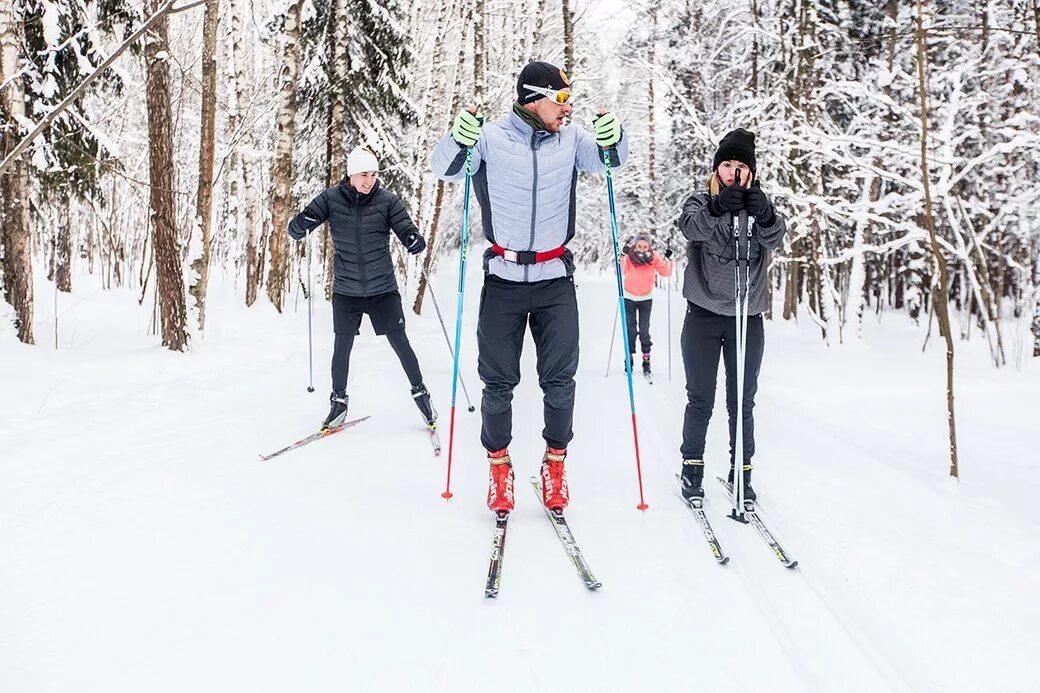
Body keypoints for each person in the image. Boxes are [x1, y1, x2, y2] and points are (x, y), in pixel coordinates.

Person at [431, 60, 628, 515]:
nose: (568, 108)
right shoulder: (490, 139)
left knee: (560, 382)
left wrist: (614, 137)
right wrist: (458, 138)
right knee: (497, 383)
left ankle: (555, 464)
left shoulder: (571, 140)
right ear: (534, 99)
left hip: (555, 279)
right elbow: (446, 169)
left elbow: (611, 160)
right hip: (503, 280)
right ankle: (499, 469)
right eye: (561, 99)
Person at [288, 145, 436, 432]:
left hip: (382, 289)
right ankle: (338, 404)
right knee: (341, 347)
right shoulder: (330, 199)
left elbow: (406, 230)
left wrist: (413, 240)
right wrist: (301, 224)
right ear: (351, 175)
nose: (370, 180)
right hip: (347, 291)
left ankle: (422, 396)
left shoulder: (387, 201)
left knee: (400, 343)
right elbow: (296, 229)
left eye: (373, 174)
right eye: (364, 175)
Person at [675, 128, 787, 502]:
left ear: (751, 171)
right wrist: (718, 207)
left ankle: (742, 472)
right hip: (703, 316)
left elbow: (776, 237)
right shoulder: (700, 201)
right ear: (717, 169)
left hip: (746, 318)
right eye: (726, 165)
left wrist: (765, 214)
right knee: (700, 397)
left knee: (741, 401)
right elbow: (690, 227)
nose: (733, 172)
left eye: (740, 165)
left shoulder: (760, 207)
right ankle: (692, 468)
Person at [619, 232, 673, 377]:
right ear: (635, 245)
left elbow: (666, 273)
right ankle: (629, 359)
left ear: (649, 246)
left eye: (645, 246)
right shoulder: (629, 256)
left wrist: (669, 260)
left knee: (644, 330)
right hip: (629, 297)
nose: (642, 249)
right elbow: (619, 271)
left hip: (646, 298)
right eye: (639, 246)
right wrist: (622, 256)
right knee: (630, 329)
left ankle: (646, 360)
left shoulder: (654, 257)